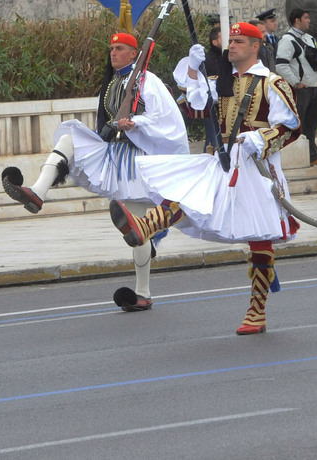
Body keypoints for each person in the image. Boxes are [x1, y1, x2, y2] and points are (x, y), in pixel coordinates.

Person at [111, 21, 301, 334]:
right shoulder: (221, 81)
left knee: (259, 236)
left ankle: (257, 309)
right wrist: (194, 72)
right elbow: (197, 110)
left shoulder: (272, 83)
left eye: (239, 41)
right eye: (232, 41)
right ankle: (147, 225)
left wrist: (257, 139)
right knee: (191, 192)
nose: (233, 46)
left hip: (256, 167)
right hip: (223, 160)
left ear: (255, 47)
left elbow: (291, 126)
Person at [1, 31, 188, 312]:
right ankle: (37, 193)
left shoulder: (149, 82)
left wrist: (136, 124)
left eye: (120, 48)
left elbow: (167, 120)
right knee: (70, 138)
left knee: (139, 229)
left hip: (141, 160)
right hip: (116, 153)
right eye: (111, 48)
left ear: (134, 54)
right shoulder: (113, 83)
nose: (113, 53)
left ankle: (142, 293)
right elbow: (106, 124)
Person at [275, 8, 317, 167]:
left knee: (312, 123)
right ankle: (297, 156)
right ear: (297, 20)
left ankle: (312, 156)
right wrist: (296, 83)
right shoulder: (287, 40)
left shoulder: (310, 39)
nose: (309, 21)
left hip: (313, 87)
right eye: (306, 18)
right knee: (299, 123)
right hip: (301, 89)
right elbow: (281, 66)